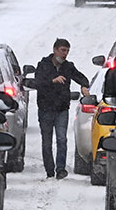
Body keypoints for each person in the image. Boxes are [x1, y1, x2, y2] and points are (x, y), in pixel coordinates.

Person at [34, 38, 90, 179]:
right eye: (62, 50)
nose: (65, 54)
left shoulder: (68, 67)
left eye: (67, 51)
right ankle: (49, 170)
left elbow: (81, 77)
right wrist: (52, 81)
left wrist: (84, 85)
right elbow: (38, 83)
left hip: (61, 109)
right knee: (47, 141)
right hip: (46, 108)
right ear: (55, 50)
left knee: (61, 139)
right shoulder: (43, 65)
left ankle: (60, 169)